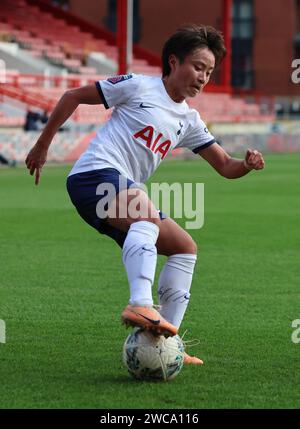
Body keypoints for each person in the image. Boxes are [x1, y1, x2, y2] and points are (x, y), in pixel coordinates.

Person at [25, 24, 265, 365]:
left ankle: (167, 344)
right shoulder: (139, 86)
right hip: (93, 175)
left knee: (185, 247)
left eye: (209, 72)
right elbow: (73, 97)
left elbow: (226, 165)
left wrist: (248, 163)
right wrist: (42, 144)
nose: (202, 77)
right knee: (147, 217)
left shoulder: (190, 120)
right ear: (173, 61)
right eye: (197, 67)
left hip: (122, 188)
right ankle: (140, 303)